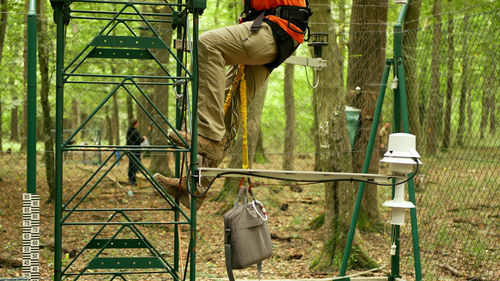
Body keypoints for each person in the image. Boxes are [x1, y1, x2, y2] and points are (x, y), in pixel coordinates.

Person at [155, 0, 312, 207]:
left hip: (277, 28)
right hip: (278, 30)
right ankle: (195, 186)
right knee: (232, 102)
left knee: (207, 44)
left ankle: (209, 136)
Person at [126, 119, 146, 186]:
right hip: (136, 150)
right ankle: (133, 180)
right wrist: (143, 138)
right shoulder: (135, 131)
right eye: (137, 123)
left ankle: (130, 178)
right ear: (135, 124)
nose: (138, 124)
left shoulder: (129, 130)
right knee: (134, 165)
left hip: (131, 150)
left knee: (131, 164)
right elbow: (139, 140)